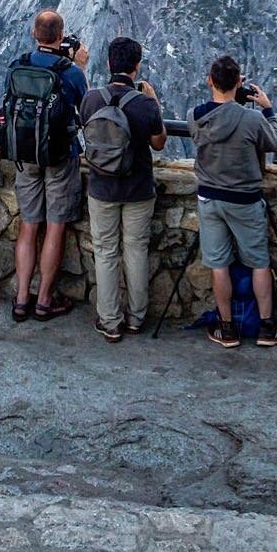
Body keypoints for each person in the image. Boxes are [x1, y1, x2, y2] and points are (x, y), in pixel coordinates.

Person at [185, 55, 277, 348]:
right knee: (258, 262)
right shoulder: (252, 119)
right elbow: (273, 143)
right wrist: (268, 109)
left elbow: (204, 134)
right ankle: (267, 328)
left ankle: (227, 328)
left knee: (219, 264)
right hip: (245, 199)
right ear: (238, 82)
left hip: (210, 197)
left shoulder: (195, 115)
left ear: (210, 81)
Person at [80, 37, 167, 342]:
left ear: (108, 64)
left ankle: (110, 321)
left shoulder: (91, 100)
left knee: (105, 252)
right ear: (137, 66)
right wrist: (155, 102)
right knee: (135, 250)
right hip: (138, 188)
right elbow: (158, 143)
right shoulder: (144, 105)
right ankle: (136, 318)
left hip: (101, 186)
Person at [8, 9, 88, 322]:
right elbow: (87, 108)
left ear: (34, 34)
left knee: (29, 225)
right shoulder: (70, 72)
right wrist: (80, 66)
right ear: (60, 35)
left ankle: (21, 298)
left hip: (25, 155)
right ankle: (44, 301)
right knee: (56, 225)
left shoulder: (19, 65)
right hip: (59, 155)